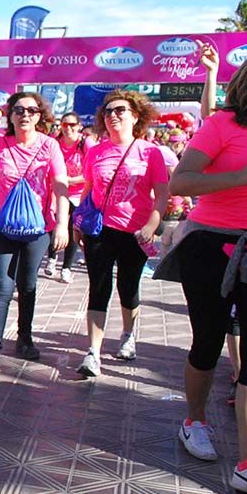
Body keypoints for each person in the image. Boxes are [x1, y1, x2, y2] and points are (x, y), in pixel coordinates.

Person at [159, 52, 247, 488]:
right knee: (209, 339)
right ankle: (194, 421)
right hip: (211, 245)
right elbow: (181, 182)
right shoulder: (223, 124)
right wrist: (246, 176)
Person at [0, 92, 68, 372]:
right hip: (2, 225)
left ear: (40, 116)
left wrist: (62, 223)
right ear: (10, 116)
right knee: (2, 286)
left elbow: (60, 185)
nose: (25, 115)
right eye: (19, 110)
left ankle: (25, 338)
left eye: (32, 110)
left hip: (38, 228)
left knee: (28, 284)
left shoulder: (50, 146)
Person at [74, 92, 169, 378]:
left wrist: (152, 225)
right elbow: (89, 190)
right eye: (107, 112)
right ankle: (93, 353)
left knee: (128, 287)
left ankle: (128, 334)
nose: (113, 116)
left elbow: (163, 194)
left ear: (135, 116)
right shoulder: (95, 151)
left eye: (120, 110)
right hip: (101, 230)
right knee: (99, 288)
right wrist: (78, 222)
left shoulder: (150, 152)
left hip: (136, 231)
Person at [45, 112, 89, 284]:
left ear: (79, 126)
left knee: (72, 229)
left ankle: (66, 268)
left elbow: (92, 172)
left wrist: (71, 180)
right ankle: (52, 258)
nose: (68, 128)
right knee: (53, 224)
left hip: (78, 193)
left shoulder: (85, 144)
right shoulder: (55, 143)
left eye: (72, 125)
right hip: (57, 191)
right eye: (64, 125)